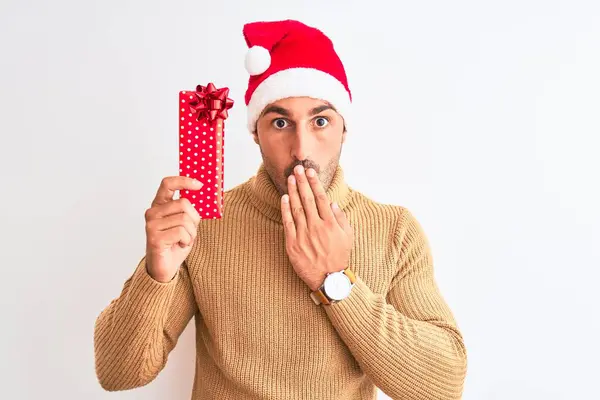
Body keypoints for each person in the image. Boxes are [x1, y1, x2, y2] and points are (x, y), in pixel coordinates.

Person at [94, 19, 467, 400]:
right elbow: (118, 374)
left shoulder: (394, 230)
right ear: (256, 132)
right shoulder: (202, 223)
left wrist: (333, 279)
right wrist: (157, 273)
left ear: (344, 128)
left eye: (320, 121)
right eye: (280, 122)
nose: (301, 149)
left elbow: (442, 387)